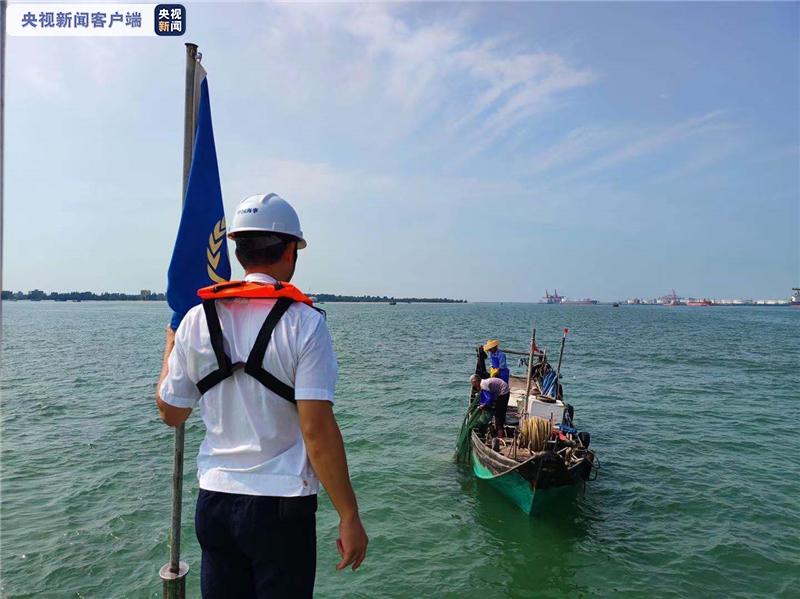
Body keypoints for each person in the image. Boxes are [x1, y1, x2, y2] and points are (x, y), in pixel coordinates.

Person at [155, 193, 368, 598]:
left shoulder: (196, 320)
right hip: (282, 506)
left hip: (215, 501)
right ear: (290, 251)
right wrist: (349, 515)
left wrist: (170, 349)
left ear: (237, 251)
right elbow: (316, 430)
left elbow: (172, 413)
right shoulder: (305, 323)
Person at [470, 374, 511, 438]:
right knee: (500, 412)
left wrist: (483, 405)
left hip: (503, 392)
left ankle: (500, 435)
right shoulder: (484, 382)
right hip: (503, 391)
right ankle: (498, 429)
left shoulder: (483, 384)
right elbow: (487, 396)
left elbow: (490, 398)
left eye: (473, 384)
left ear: (476, 381)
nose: (474, 386)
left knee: (498, 415)